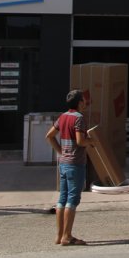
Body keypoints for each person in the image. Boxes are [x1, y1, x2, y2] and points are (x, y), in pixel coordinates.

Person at [46, 89, 93, 246]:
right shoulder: (79, 118)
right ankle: (67, 236)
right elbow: (80, 141)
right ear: (79, 102)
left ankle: (59, 236)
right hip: (75, 164)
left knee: (62, 199)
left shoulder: (63, 116)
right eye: (84, 100)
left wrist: (61, 151)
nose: (86, 102)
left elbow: (49, 136)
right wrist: (93, 141)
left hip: (64, 163)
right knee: (72, 199)